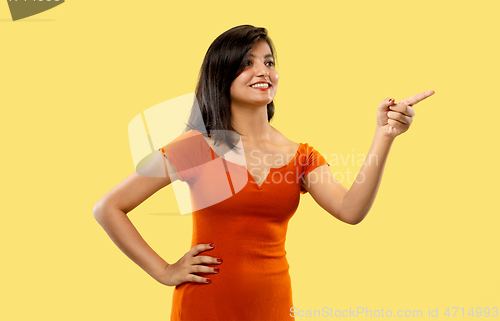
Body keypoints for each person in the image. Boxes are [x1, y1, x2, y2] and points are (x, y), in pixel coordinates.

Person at [93, 24, 435, 320]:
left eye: (269, 62)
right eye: (247, 63)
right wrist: (165, 271)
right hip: (203, 309)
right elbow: (108, 208)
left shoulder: (300, 156)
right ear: (221, 74)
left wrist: (384, 136)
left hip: (272, 309)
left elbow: (351, 210)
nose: (263, 71)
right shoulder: (196, 147)